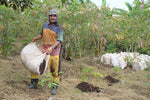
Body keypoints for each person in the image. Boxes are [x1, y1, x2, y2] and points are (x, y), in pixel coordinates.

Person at [26, 9, 63, 95]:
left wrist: (52, 47)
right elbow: (42, 34)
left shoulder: (59, 28)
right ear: (49, 17)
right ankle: (34, 84)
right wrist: (36, 38)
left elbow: (59, 40)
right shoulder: (45, 25)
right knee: (35, 66)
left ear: (56, 17)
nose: (52, 17)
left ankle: (54, 87)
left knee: (54, 70)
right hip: (43, 51)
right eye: (51, 16)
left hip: (54, 52)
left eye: (54, 16)